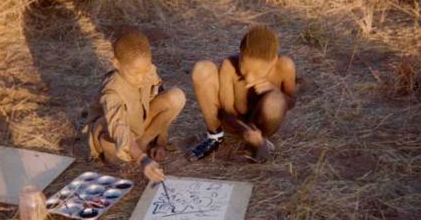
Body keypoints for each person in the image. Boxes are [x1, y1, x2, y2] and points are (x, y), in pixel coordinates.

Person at [84, 29, 186, 182]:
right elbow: (119, 128)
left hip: (138, 125)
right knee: (109, 132)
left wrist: (160, 143)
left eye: (145, 71)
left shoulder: (147, 71)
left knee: (176, 96)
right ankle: (128, 154)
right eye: (135, 73)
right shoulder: (112, 91)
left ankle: (142, 143)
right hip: (114, 134)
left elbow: (157, 98)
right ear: (116, 64)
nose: (141, 78)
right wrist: (143, 160)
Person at [188, 25, 297, 163]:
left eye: (257, 72)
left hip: (263, 126)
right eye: (245, 68)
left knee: (275, 99)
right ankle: (215, 137)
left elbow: (291, 101)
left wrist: (274, 90)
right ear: (240, 54)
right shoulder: (229, 66)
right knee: (202, 69)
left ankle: (261, 141)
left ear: (273, 61)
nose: (249, 78)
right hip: (235, 125)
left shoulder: (285, 66)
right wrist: (244, 130)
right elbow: (226, 112)